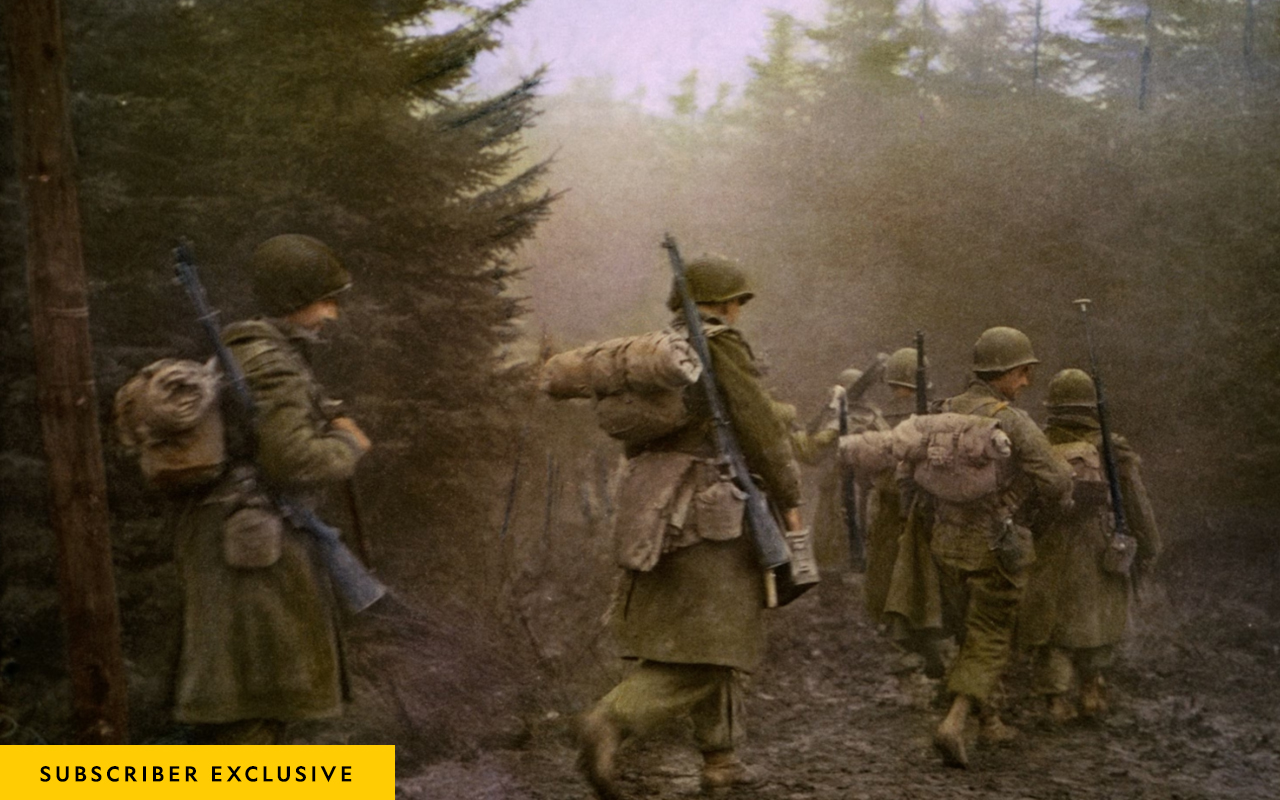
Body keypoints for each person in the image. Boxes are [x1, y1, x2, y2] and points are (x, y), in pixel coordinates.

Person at [577, 254, 804, 798]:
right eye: (738, 302)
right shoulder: (719, 346)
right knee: (717, 643)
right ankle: (610, 720)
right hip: (712, 513)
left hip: (657, 506)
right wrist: (790, 494)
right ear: (726, 302)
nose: (740, 311)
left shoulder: (663, 354)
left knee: (708, 633)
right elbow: (759, 424)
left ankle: (720, 760)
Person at [170, 234, 372, 744]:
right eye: (324, 300)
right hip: (255, 551)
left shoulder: (259, 353)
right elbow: (293, 460)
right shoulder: (271, 361)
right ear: (291, 300)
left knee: (251, 698)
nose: (332, 314)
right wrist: (346, 446)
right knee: (257, 703)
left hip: (243, 540)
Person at [928, 327, 1073, 768]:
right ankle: (955, 721)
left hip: (944, 540)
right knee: (991, 636)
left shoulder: (942, 411)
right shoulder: (1012, 420)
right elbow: (1059, 480)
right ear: (1006, 373)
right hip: (996, 544)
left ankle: (988, 720)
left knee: (965, 631)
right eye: (1023, 373)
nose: (1027, 382)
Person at [1018, 368, 1162, 721]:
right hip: (1099, 545)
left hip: (1047, 544)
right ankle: (1092, 688)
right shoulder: (1112, 449)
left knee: (1051, 624)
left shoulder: (1038, 446)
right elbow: (1136, 503)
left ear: (1051, 407)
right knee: (1097, 619)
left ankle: (1055, 699)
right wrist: (1149, 546)